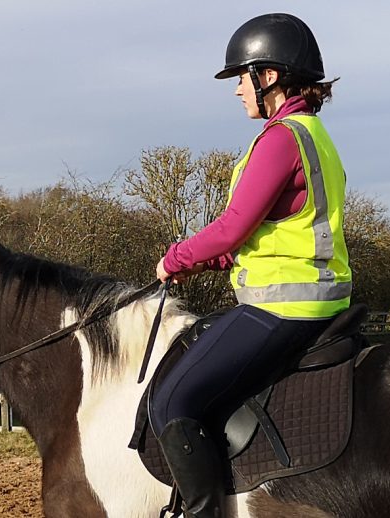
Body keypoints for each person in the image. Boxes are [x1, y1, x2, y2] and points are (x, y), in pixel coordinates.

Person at [151, 13, 351, 518]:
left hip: (282, 307)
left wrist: (177, 256)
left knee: (172, 400)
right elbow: (271, 228)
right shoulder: (313, 135)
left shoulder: (282, 138)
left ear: (269, 77)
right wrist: (212, 261)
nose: (238, 89)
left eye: (242, 77)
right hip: (318, 297)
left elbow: (233, 225)